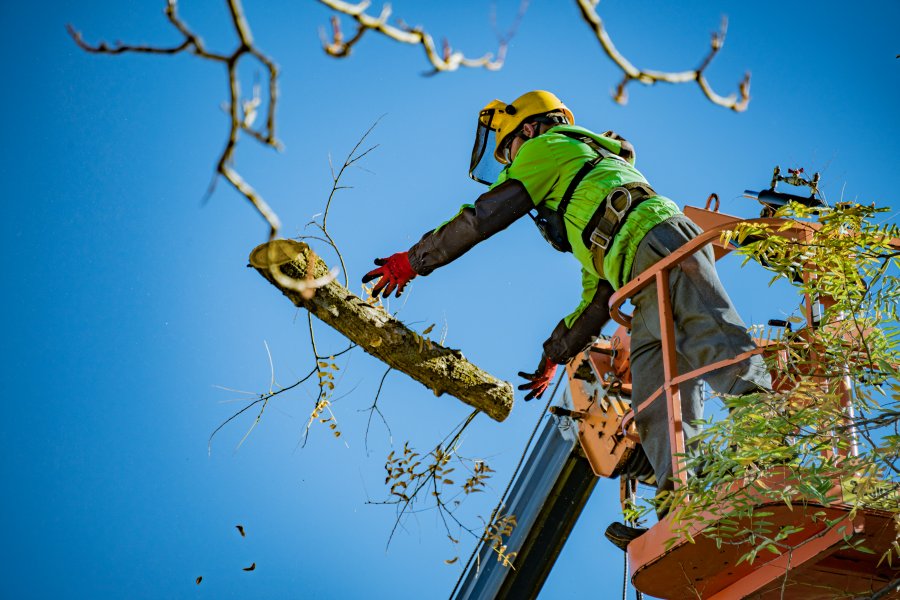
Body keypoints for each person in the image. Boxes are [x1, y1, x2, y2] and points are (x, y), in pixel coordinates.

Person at [362, 90, 771, 548]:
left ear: (531, 128)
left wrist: (414, 261)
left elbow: (485, 216)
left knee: (716, 343)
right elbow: (595, 302)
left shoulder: (547, 146)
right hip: (633, 267)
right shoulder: (585, 205)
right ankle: (683, 515)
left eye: (509, 150)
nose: (512, 164)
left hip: (658, 239)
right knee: (656, 396)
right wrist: (554, 357)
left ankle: (774, 454)